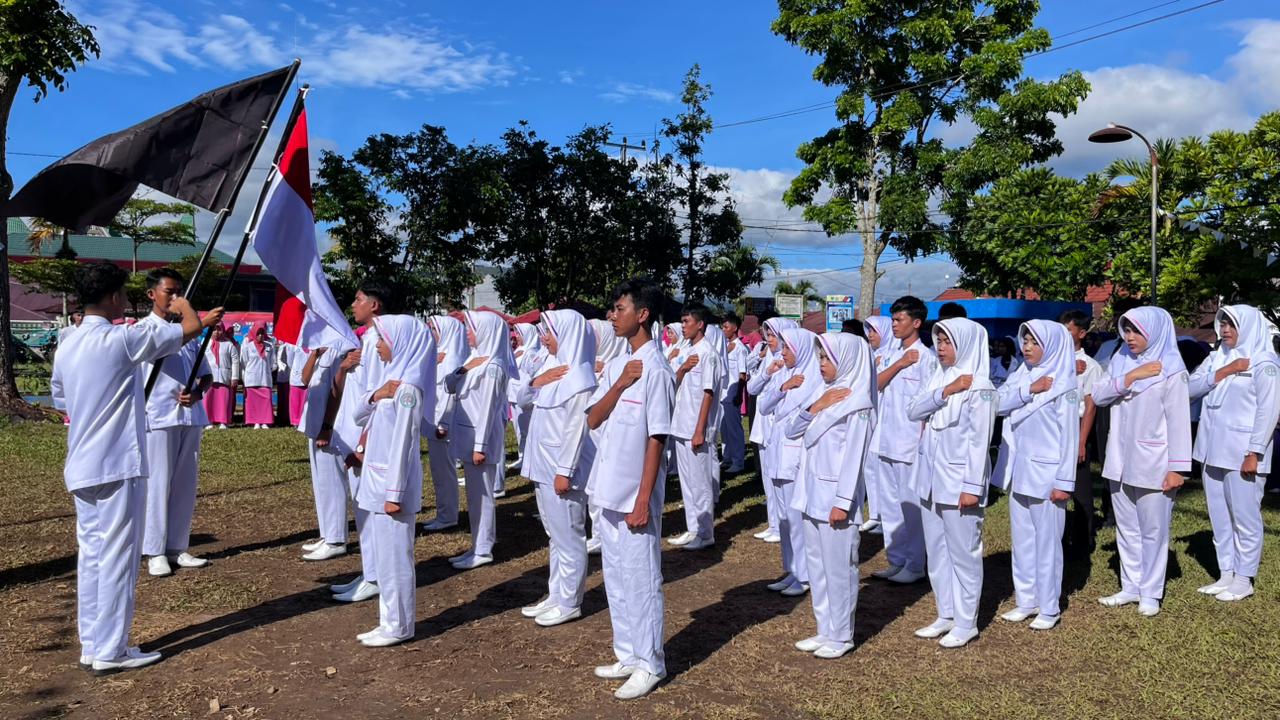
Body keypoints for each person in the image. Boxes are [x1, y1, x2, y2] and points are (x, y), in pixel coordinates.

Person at [51, 262, 222, 675]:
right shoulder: (121, 338)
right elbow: (190, 329)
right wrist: (184, 305)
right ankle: (112, 649)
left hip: (83, 462)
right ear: (113, 297)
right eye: (124, 294)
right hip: (116, 464)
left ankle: (93, 643)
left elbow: (61, 400)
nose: (126, 301)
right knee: (117, 558)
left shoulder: (68, 343)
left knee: (93, 556)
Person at [586, 278, 675, 700]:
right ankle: (627, 652)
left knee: (641, 579)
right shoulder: (622, 366)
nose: (611, 315)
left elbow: (657, 438)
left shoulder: (657, 369)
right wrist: (620, 383)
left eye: (619, 308)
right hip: (608, 488)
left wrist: (643, 500)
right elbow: (593, 418)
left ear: (642, 314)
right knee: (616, 578)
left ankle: (650, 662)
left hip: (634, 495)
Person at [1092, 307, 1191, 617]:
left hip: (1155, 461)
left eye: (1136, 330)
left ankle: (1150, 591)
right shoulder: (1121, 359)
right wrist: (1131, 376)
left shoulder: (1172, 368)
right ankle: (1130, 586)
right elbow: (1098, 395)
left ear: (1155, 331)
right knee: (1127, 527)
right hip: (1119, 459)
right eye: (1126, 330)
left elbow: (1179, 420)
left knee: (1153, 530)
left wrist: (1177, 467)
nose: (1129, 337)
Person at [784, 332, 876, 659]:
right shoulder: (822, 392)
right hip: (810, 493)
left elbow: (854, 457)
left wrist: (843, 503)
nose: (821, 364)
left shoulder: (859, 403)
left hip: (836, 499)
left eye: (827, 358)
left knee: (840, 569)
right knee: (818, 566)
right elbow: (791, 430)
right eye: (820, 357)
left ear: (846, 360)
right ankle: (824, 628)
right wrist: (816, 406)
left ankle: (841, 635)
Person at [907, 317, 996, 648]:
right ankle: (945, 613)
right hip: (930, 481)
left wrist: (972, 487)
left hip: (959, 484)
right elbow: (913, 411)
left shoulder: (981, 387)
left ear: (966, 344)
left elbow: (979, 441)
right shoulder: (939, 377)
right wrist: (946, 391)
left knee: (964, 553)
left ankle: (966, 621)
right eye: (939, 341)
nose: (941, 348)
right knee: (937, 551)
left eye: (947, 342)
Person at [352, 314, 436, 647]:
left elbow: (404, 443)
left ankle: (400, 625)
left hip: (392, 486)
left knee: (397, 557)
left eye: (382, 339)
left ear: (400, 342)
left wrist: (395, 493)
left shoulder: (409, 389)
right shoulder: (390, 380)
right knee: (384, 557)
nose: (377, 345)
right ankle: (388, 620)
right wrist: (375, 395)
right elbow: (358, 415)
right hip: (376, 479)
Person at [1188, 304, 1280, 602]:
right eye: (1223, 324)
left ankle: (1244, 578)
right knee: (1219, 515)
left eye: (1231, 324)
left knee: (1245, 516)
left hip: (1243, 453)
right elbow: (1189, 389)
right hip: (1210, 449)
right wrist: (1224, 371)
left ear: (1248, 327)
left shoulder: (1264, 362)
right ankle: (1226, 572)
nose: (1225, 330)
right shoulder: (1217, 357)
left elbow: (1269, 410)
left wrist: (1255, 451)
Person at [993, 320, 1079, 631]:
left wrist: (1064, 482)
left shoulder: (1065, 385)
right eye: (1025, 341)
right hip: (1019, 471)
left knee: (1048, 543)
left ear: (1052, 346)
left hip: (1048, 475)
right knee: (1023, 541)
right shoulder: (1021, 375)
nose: (1026, 347)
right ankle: (1026, 600)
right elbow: (996, 405)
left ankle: (1049, 606)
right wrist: (1029, 389)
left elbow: (1069, 437)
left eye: (1034, 342)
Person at [520, 309, 598, 627]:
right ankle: (556, 594)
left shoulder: (580, 379)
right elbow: (521, 398)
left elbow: (575, 431)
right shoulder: (552, 369)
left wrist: (564, 471)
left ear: (567, 336)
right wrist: (535, 381)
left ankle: (570, 601)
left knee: (569, 536)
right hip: (543, 467)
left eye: (549, 332)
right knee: (555, 535)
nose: (543, 338)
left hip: (561, 472)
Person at [138, 268, 215, 578]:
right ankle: (154, 549)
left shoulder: (190, 335)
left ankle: (177, 545)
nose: (176, 297)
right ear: (152, 294)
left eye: (179, 292)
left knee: (185, 484)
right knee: (158, 484)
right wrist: (197, 321)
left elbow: (206, 374)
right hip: (158, 416)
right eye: (169, 291)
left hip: (189, 416)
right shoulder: (145, 330)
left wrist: (198, 392)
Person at [323, 280, 395, 603]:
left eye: (359, 299)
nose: (353, 305)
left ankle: (376, 575)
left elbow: (379, 397)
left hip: (365, 441)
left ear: (374, 305)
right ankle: (369, 571)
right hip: (354, 437)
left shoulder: (380, 343)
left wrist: (363, 445)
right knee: (361, 509)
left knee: (369, 510)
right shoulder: (365, 341)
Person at [868, 296, 935, 584]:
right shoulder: (890, 353)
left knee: (910, 506)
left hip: (909, 442)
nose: (894, 325)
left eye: (899, 320)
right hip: (884, 438)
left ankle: (915, 563)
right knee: (889, 505)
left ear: (916, 322)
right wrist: (899, 364)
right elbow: (875, 385)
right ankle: (896, 559)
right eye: (893, 320)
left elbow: (928, 404)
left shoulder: (927, 358)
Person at [445, 310, 515, 570]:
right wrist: (464, 369)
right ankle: (476, 545)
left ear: (485, 332)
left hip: (480, 441)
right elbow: (449, 385)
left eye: (471, 328)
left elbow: (487, 410)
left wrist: (480, 446)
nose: (467, 333)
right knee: (474, 498)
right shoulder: (473, 360)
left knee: (482, 497)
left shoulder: (494, 368)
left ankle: (483, 548)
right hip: (468, 438)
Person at [760, 326, 825, 597]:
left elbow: (801, 417)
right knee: (784, 519)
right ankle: (791, 570)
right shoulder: (785, 375)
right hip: (777, 453)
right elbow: (763, 406)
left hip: (794, 457)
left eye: (788, 347)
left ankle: (805, 574)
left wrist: (787, 391)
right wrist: (783, 387)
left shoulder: (814, 380)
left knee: (797, 520)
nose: (783, 352)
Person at [298, 313, 358, 561]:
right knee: (321, 483)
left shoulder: (343, 347)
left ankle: (336, 540)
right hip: (314, 423)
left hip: (330, 426)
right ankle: (327, 534)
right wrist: (314, 354)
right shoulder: (321, 349)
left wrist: (327, 426)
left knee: (333, 482)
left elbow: (339, 389)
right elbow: (303, 379)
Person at [668, 304, 725, 551]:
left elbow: (708, 393)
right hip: (680, 424)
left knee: (700, 482)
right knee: (687, 481)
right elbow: (674, 381)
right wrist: (682, 368)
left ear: (700, 324)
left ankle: (705, 532)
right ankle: (693, 528)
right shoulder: (686, 350)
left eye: (687, 322)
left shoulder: (708, 353)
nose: (683, 326)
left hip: (695, 427)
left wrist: (700, 429)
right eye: (681, 322)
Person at [747, 317, 797, 545]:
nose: (769, 340)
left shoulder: (793, 361)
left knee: (780, 479)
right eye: (767, 335)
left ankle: (783, 525)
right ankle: (774, 523)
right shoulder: (769, 357)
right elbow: (752, 388)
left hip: (780, 427)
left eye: (773, 335)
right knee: (768, 479)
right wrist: (767, 372)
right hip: (763, 425)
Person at [1061, 310, 1103, 553]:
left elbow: (1090, 407)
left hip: (1077, 427)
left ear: (1082, 333)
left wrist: (1081, 441)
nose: (1064, 335)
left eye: (1068, 330)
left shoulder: (1090, 366)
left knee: (1080, 490)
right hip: (1055, 428)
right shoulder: (1053, 361)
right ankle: (1059, 537)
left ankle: (1082, 542)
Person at [585, 316, 628, 555]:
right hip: (594, 435)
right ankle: (598, 532)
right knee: (594, 486)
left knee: (606, 484)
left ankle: (604, 534)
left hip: (610, 436)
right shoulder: (594, 366)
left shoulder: (619, 368)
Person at [422, 315, 467, 532]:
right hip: (436, 422)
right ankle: (444, 513)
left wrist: (443, 425)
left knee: (444, 472)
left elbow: (450, 397)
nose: (431, 332)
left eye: (434, 328)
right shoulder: (441, 356)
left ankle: (448, 515)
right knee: (439, 471)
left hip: (443, 425)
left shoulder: (451, 360)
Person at [860, 316, 896, 534]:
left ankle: (885, 516)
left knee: (882, 469)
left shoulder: (893, 354)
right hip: (870, 416)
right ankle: (875, 514)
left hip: (885, 417)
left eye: (874, 331)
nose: (870, 335)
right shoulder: (871, 354)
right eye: (868, 331)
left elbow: (877, 383)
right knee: (870, 467)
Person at [509, 322, 546, 477]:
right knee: (519, 429)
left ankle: (526, 457)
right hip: (514, 395)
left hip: (523, 396)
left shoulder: (531, 353)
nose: (517, 336)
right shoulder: (519, 351)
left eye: (519, 333)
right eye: (516, 333)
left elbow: (532, 372)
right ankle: (522, 455)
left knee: (525, 429)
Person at [720, 313, 749, 474]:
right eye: (722, 327)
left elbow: (742, 374)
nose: (723, 330)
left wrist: (739, 395)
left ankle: (738, 461)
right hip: (723, 394)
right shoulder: (725, 347)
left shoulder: (740, 349)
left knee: (734, 430)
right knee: (724, 429)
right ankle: (727, 458)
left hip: (732, 395)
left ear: (735, 328)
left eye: (726, 327)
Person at [240, 322, 275, 429]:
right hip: (252, 379)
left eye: (262, 333)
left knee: (266, 400)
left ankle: (265, 421)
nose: (260, 335)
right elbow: (244, 361)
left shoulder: (269, 345)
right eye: (258, 333)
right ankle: (256, 422)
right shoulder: (248, 345)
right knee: (253, 402)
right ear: (254, 333)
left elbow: (272, 362)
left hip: (265, 378)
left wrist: (268, 369)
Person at [203, 322, 239, 429]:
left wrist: (235, 377)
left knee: (223, 400)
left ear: (223, 330)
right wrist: (199, 375)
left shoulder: (228, 344)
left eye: (219, 329)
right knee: (208, 399)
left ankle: (223, 421)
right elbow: (201, 360)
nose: (216, 332)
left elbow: (235, 361)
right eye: (214, 329)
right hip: (208, 376)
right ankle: (208, 421)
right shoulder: (205, 342)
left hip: (224, 377)